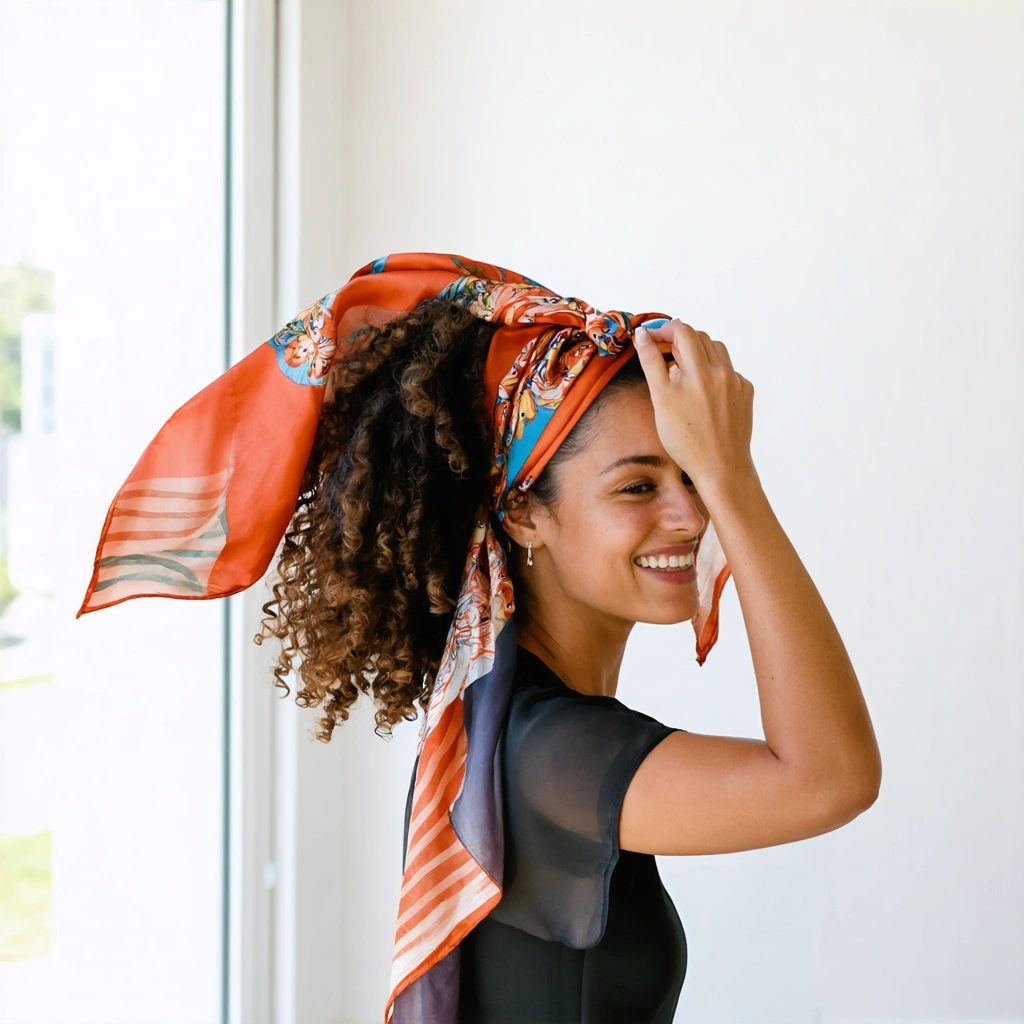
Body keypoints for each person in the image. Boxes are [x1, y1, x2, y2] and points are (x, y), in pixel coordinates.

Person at [77, 253, 882, 1024]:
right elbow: (830, 778)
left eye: (694, 474)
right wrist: (736, 479)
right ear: (524, 513)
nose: (692, 514)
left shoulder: (510, 726)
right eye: (639, 485)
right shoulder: (548, 751)